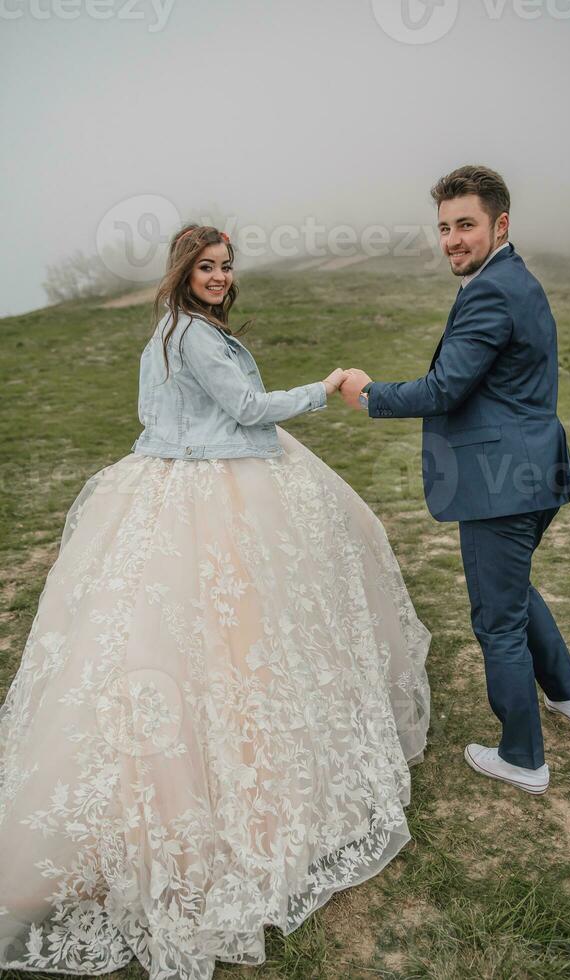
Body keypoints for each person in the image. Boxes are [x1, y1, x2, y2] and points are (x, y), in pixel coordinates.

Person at [0, 225, 431, 976]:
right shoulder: (193, 336)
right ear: (183, 270)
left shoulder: (170, 330)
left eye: (227, 267)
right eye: (207, 266)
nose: (221, 277)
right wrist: (323, 390)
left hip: (169, 475)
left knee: (167, 638)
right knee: (229, 633)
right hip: (210, 482)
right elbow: (246, 407)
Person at [340, 165, 570, 797]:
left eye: (466, 225)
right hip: (534, 468)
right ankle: (569, 696)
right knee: (513, 590)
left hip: (499, 480)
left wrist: (368, 395)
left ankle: (522, 757)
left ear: (500, 224)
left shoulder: (490, 290)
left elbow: (444, 388)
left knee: (495, 619)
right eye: (445, 227)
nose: (452, 239)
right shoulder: (513, 278)